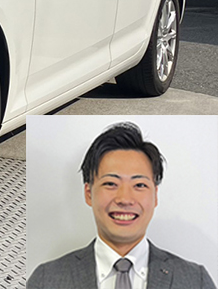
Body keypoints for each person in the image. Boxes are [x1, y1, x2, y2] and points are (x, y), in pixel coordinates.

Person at [27, 122, 217, 289]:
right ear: (88, 193)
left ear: (155, 196)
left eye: (139, 185)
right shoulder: (46, 279)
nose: (125, 199)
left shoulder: (195, 280)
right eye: (111, 183)